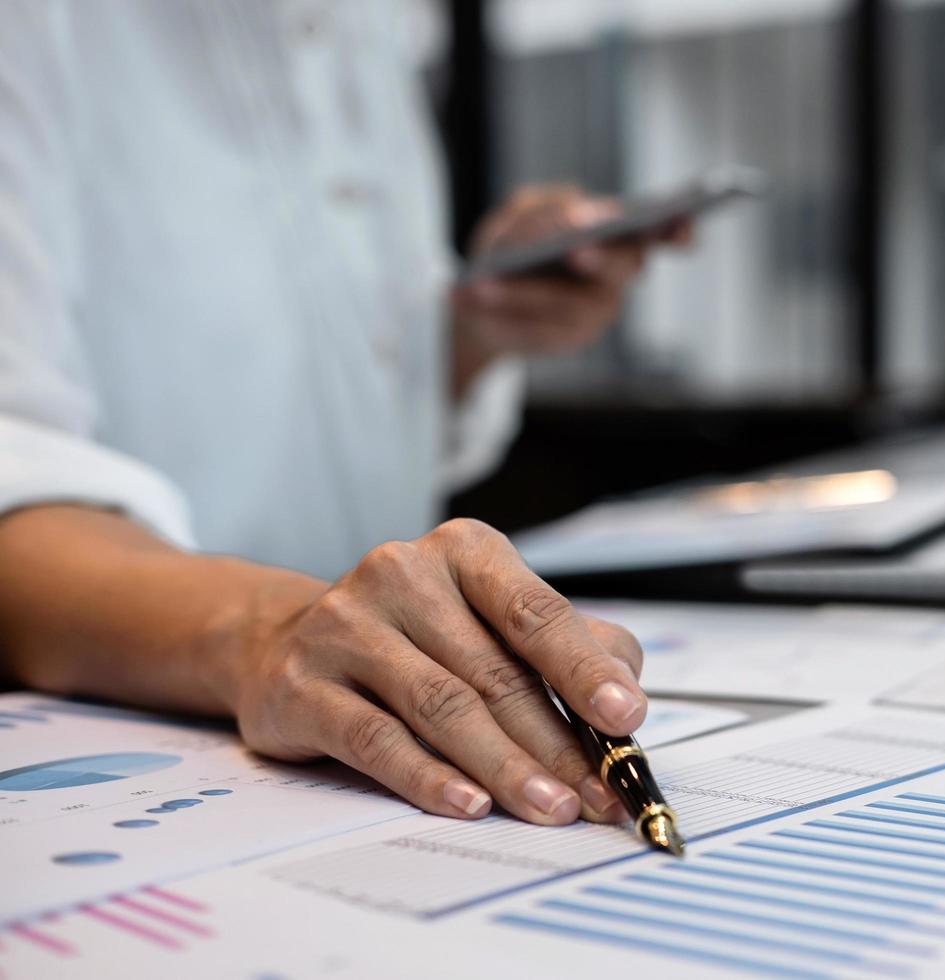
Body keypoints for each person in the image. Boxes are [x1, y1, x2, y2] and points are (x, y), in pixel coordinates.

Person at [0, 3, 683, 828]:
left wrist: (474, 331)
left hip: (370, 738)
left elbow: (347, 403)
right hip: (134, 745)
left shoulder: (377, 23)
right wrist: (271, 632)